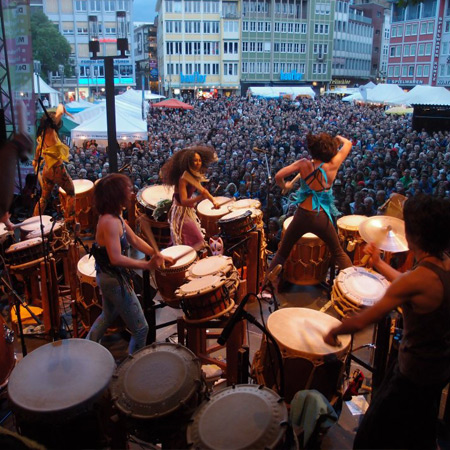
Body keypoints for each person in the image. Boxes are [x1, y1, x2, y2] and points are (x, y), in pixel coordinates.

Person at [324, 194, 450, 449]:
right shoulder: (444, 265)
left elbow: (363, 320)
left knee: (371, 436)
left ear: (415, 236)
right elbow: (409, 287)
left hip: (412, 374)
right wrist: (380, 263)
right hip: (439, 370)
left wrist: (335, 329)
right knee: (421, 430)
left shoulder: (415, 280)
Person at [87, 174, 174, 354]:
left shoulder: (115, 215)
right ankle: (130, 371)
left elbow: (133, 239)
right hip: (113, 280)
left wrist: (157, 254)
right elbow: (115, 258)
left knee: (108, 315)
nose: (130, 194)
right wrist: (147, 265)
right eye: (126, 191)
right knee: (141, 329)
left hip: (110, 277)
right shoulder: (109, 222)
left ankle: (87, 349)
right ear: (116, 195)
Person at [269, 133, 353, 277]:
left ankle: (265, 286)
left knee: (282, 252)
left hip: (302, 215)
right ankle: (354, 284)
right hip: (321, 216)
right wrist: (338, 139)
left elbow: (278, 176)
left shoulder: (304, 163)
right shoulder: (333, 164)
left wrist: (286, 184)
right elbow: (349, 144)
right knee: (338, 252)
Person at [161, 146, 219, 251]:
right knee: (195, 240)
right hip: (180, 212)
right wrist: (199, 198)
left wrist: (214, 201)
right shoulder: (183, 178)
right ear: (189, 162)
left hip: (187, 211)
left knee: (190, 240)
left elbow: (203, 191)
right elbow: (184, 201)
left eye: (200, 160)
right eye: (195, 161)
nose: (198, 163)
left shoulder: (194, 175)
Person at [32, 104, 77, 229]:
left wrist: (36, 162)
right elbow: (60, 108)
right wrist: (64, 110)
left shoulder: (41, 137)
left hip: (47, 170)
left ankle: (34, 220)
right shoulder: (51, 132)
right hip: (57, 169)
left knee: (44, 199)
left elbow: (36, 157)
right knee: (71, 192)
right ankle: (69, 223)